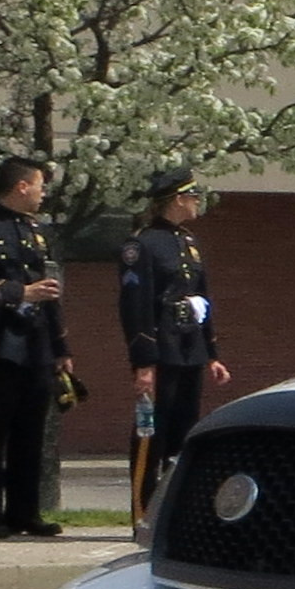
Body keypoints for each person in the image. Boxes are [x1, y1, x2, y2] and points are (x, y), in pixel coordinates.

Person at [0, 157, 72, 539]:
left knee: (31, 431)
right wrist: (18, 293)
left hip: (36, 342)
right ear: (22, 186)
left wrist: (61, 345)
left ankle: (25, 512)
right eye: (40, 185)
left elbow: (49, 290)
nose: (44, 194)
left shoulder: (35, 230)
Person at [119, 167, 229, 522]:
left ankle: (174, 512)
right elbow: (136, 306)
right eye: (194, 196)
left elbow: (202, 298)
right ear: (178, 199)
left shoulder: (189, 243)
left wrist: (211, 354)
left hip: (188, 348)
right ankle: (142, 512)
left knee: (183, 433)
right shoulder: (143, 244)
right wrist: (144, 361)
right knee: (152, 432)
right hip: (161, 350)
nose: (198, 203)